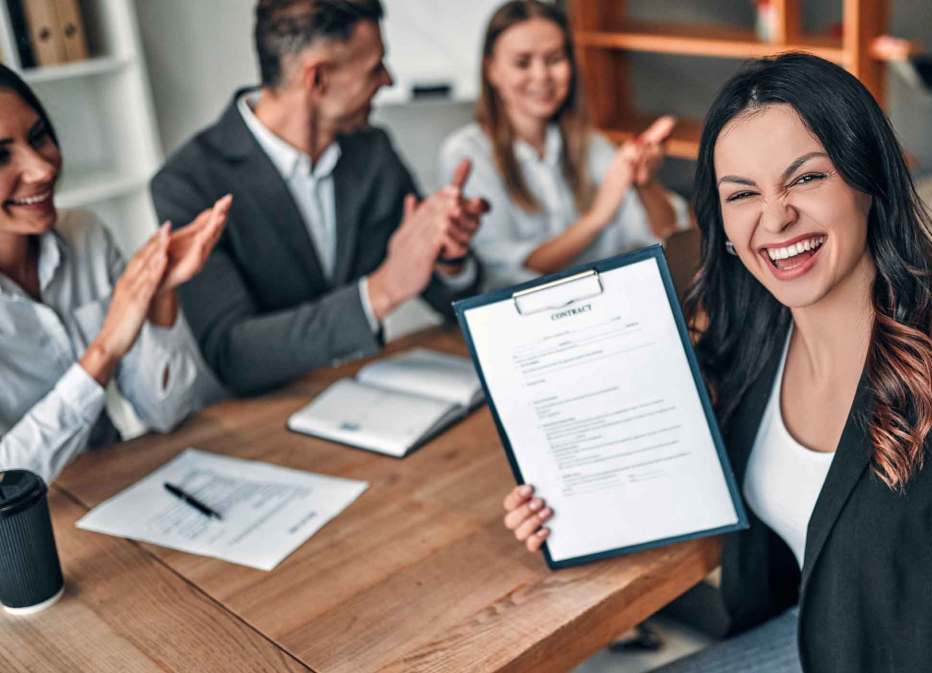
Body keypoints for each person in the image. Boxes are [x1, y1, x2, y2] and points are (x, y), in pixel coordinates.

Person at [501, 54, 932, 672]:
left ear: (867, 181)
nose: (773, 218)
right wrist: (564, 503)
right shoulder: (751, 338)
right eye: (742, 193)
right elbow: (671, 464)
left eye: (805, 178)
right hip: (801, 641)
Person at [152, 0, 487, 396]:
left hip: (377, 396)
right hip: (263, 422)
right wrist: (380, 291)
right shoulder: (189, 182)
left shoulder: (373, 151)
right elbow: (232, 354)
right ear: (318, 79)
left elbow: (446, 299)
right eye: (375, 67)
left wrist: (448, 257)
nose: (389, 80)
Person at [0, 65, 230, 482]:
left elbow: (168, 413)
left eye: (38, 137)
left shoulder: (84, 234)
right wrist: (104, 351)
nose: (42, 169)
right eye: (0, 156)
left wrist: (160, 293)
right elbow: (6, 481)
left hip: (121, 486)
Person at [439, 0, 688, 290]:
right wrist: (598, 216)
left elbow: (668, 232)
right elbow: (511, 269)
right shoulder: (466, 154)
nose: (542, 76)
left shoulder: (591, 144)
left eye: (555, 59)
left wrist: (645, 185)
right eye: (523, 63)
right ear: (492, 70)